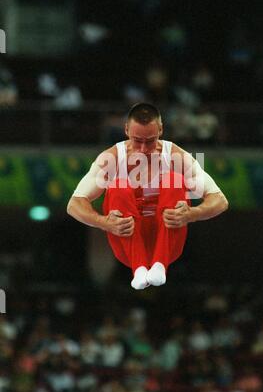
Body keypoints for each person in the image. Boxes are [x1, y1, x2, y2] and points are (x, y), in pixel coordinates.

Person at [67, 103, 228, 290]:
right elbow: (74, 204)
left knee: (173, 179)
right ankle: (139, 267)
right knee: (119, 184)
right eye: (137, 140)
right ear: (126, 129)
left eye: (150, 140)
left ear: (161, 129)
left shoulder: (176, 156)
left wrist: (191, 214)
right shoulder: (111, 158)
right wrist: (105, 222)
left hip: (169, 239)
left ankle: (160, 264)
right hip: (126, 237)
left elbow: (220, 200)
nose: (143, 149)